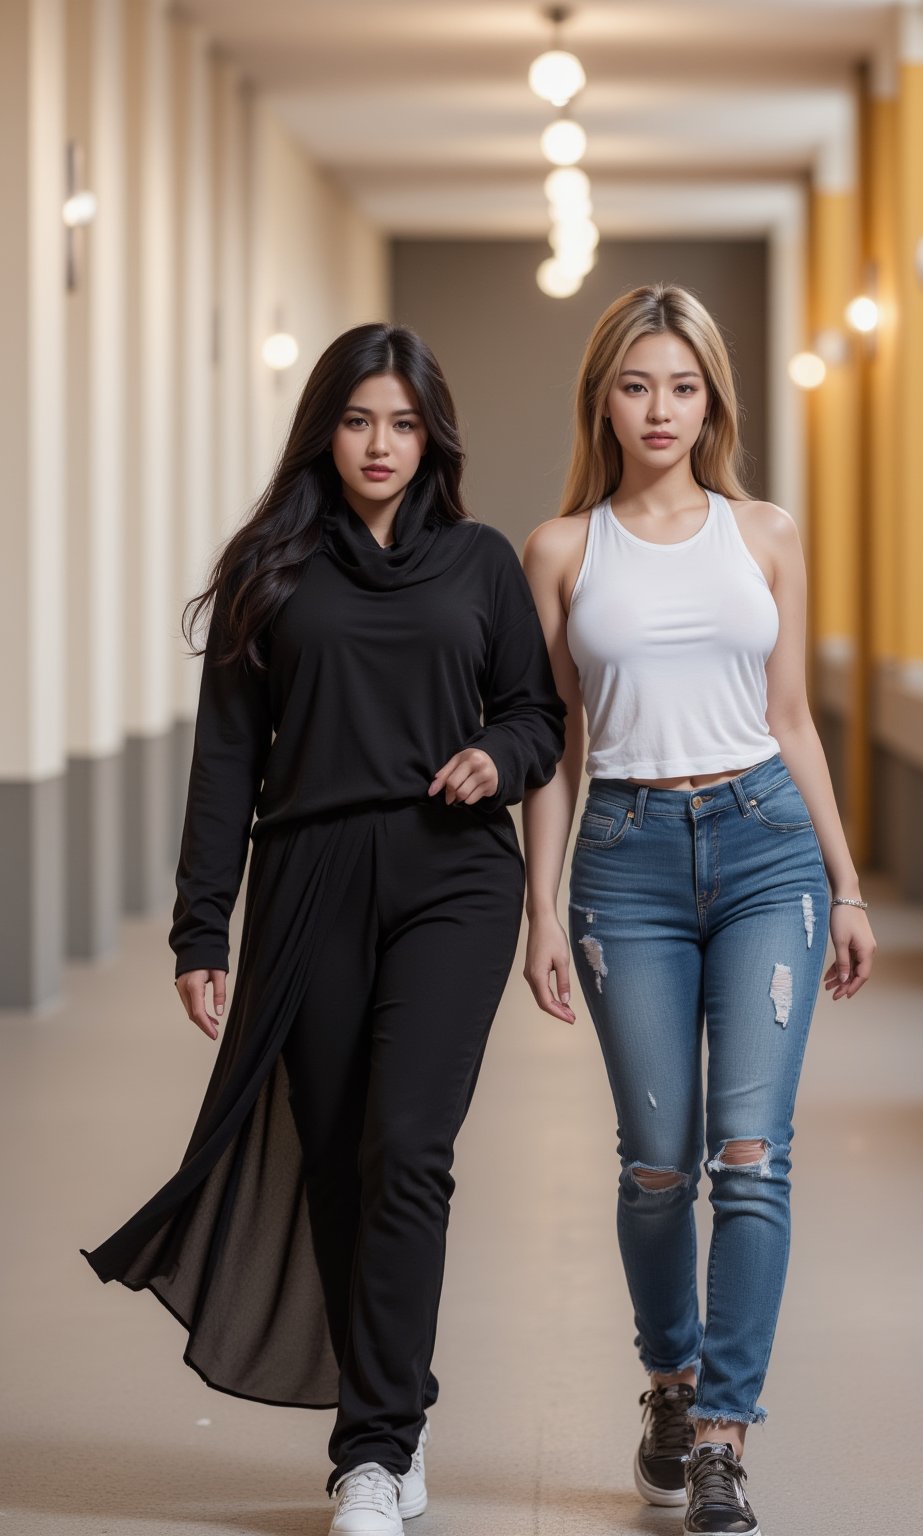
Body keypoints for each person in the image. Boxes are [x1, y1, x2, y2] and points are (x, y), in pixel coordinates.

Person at [82, 322, 566, 1536]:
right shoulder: (273, 566)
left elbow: (537, 716)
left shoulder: (480, 564)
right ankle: (394, 1396)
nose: (381, 444)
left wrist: (494, 758)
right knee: (342, 1154)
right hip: (307, 880)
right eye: (359, 420)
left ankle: (374, 1451)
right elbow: (225, 763)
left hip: (455, 879)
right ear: (325, 429)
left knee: (408, 1147)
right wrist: (203, 929)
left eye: (403, 423)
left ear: (431, 435)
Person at [519, 284, 875, 1536]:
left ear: (713, 396)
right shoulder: (562, 550)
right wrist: (543, 912)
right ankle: (668, 1382)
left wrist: (844, 882)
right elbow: (556, 746)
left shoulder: (765, 533)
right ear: (602, 400)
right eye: (635, 385)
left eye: (681, 384)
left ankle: (725, 1432)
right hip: (625, 861)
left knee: (751, 1156)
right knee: (659, 1164)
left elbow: (792, 719)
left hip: (767, 844)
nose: (659, 409)